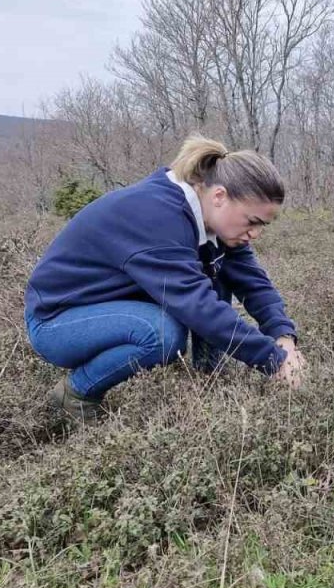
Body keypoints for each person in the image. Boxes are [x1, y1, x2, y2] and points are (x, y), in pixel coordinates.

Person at [24, 135, 305, 423]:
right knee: (160, 333)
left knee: (217, 276)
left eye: (263, 225)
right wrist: (273, 361)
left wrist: (283, 338)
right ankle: (76, 394)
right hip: (57, 323)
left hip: (112, 308)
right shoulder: (156, 216)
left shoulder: (214, 224)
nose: (255, 233)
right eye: (252, 221)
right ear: (219, 196)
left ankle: (208, 379)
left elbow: (254, 283)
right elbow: (198, 307)